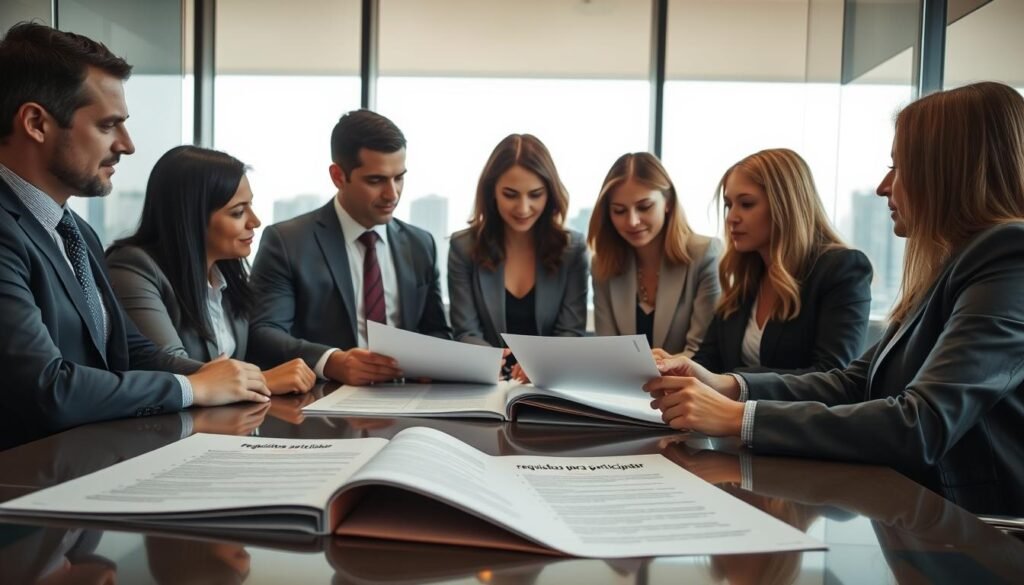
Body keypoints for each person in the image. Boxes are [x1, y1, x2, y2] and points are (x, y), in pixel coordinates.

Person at [646, 82, 1024, 512]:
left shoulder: (1009, 256)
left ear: (949, 171)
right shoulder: (950, 268)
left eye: (899, 168)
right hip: (914, 512)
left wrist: (738, 418)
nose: (884, 187)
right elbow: (855, 383)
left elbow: (921, 424)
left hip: (980, 531)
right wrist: (727, 386)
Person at [0, 23, 268, 448]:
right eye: (109, 126)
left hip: (87, 468)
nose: (127, 145)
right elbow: (44, 387)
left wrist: (220, 377)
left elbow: (131, 349)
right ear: (36, 122)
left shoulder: (76, 232)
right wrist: (193, 389)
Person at [248, 109, 451, 386]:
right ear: (338, 176)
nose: (392, 194)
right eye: (376, 180)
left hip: (407, 401)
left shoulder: (421, 244)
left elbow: (436, 330)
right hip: (322, 403)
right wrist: (331, 361)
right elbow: (264, 332)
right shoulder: (287, 242)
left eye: (399, 177)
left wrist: (434, 361)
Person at [106, 146, 316, 394]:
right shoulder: (133, 267)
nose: (255, 221)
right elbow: (163, 364)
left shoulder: (226, 275)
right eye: (238, 212)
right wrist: (262, 380)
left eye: (250, 206)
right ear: (191, 217)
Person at [685, 148, 872, 374]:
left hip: (788, 411)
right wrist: (675, 368)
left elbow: (831, 375)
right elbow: (709, 361)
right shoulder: (747, 276)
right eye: (728, 205)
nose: (731, 218)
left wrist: (736, 383)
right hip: (732, 409)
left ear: (784, 205)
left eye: (746, 204)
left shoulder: (842, 269)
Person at [448, 134, 587, 379]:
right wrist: (494, 368)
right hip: (485, 382)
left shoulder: (572, 249)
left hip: (551, 383)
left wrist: (540, 368)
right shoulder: (463, 247)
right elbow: (466, 332)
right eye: (510, 194)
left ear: (550, 194)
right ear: (492, 193)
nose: (523, 208)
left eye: (535, 194)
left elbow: (570, 334)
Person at [589, 152, 721, 355]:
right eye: (619, 211)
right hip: (624, 385)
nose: (632, 221)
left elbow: (699, 352)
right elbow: (609, 353)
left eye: (644, 207)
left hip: (686, 384)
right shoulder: (603, 264)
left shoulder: (705, 254)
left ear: (668, 202)